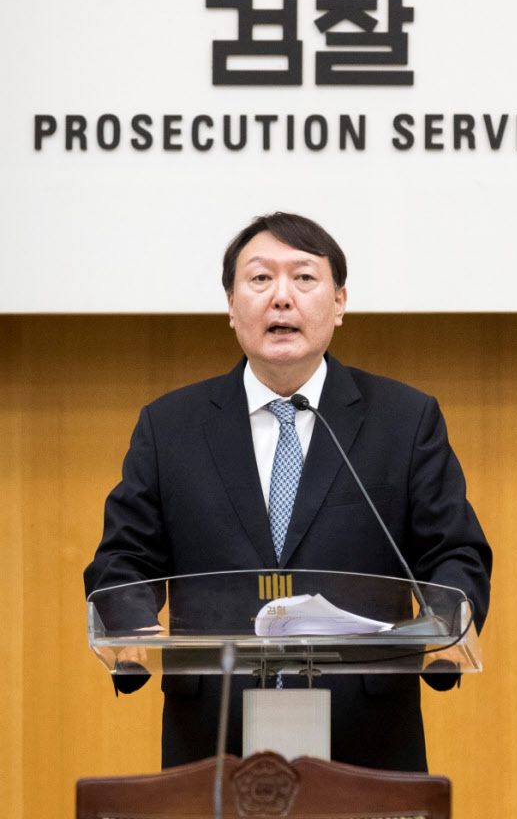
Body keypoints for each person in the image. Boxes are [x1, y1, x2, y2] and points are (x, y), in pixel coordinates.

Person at [84, 212, 492, 771]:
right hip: (213, 739)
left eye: (303, 278)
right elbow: (124, 558)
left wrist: (445, 624)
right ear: (231, 305)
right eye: (259, 279)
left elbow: (454, 550)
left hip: (367, 738)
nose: (281, 297)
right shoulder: (170, 426)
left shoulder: (403, 419)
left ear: (339, 302)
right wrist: (131, 629)